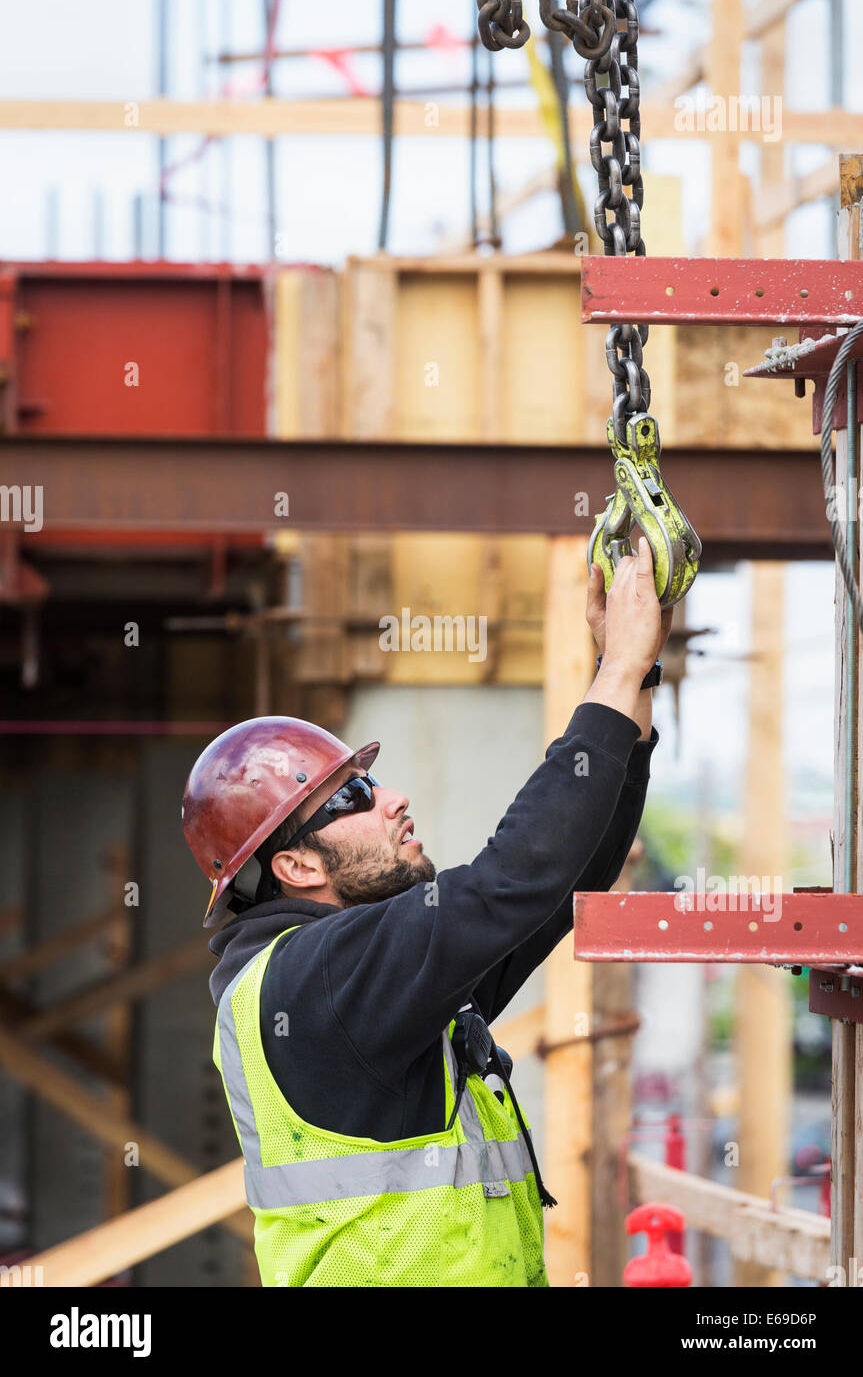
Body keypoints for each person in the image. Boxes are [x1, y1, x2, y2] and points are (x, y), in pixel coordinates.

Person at [182, 536, 672, 1287]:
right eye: (351, 797)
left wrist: (632, 690)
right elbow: (512, 878)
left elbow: (555, 887)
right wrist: (618, 669)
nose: (393, 797)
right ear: (296, 866)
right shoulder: (323, 979)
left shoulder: (348, 982)